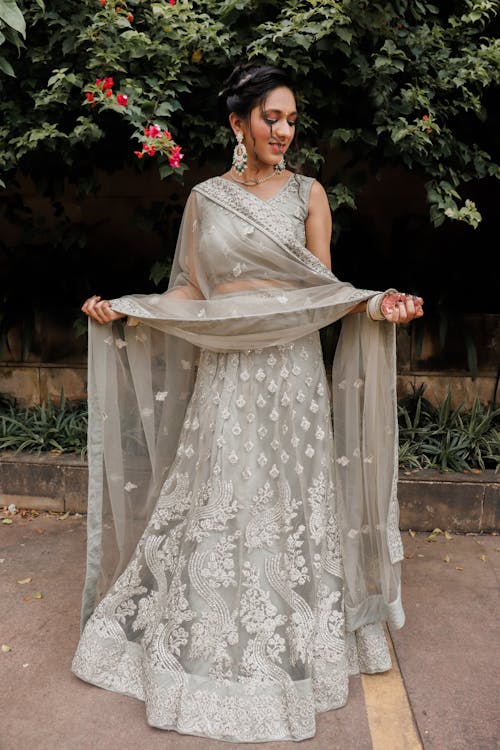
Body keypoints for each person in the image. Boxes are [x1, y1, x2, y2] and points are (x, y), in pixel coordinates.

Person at [72, 63, 424, 743]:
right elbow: (190, 294)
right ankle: (201, 642)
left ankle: (298, 642)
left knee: (285, 508)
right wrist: (125, 307)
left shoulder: (309, 195)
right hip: (226, 374)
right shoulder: (206, 199)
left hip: (290, 378)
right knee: (219, 500)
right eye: (271, 118)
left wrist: (376, 306)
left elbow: (325, 290)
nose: (284, 131)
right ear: (238, 122)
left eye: (291, 119)